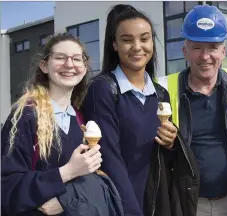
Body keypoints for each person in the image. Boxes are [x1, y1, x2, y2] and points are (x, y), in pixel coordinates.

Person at [81, 4, 197, 216]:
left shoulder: (161, 94)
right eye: (127, 40)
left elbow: (161, 160)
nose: (137, 46)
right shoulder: (103, 89)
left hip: (157, 203)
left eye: (144, 38)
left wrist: (170, 143)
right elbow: (109, 159)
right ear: (114, 45)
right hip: (119, 206)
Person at [157, 4, 227, 216]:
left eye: (213, 48)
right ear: (185, 51)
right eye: (197, 47)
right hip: (188, 205)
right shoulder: (162, 91)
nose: (205, 57)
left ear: (223, 52)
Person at [1, 33, 103, 215]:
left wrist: (67, 198)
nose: (69, 64)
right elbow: (6, 189)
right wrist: (67, 171)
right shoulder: (25, 116)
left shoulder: (80, 119)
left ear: (85, 67)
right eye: (60, 57)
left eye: (77, 59)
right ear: (44, 66)